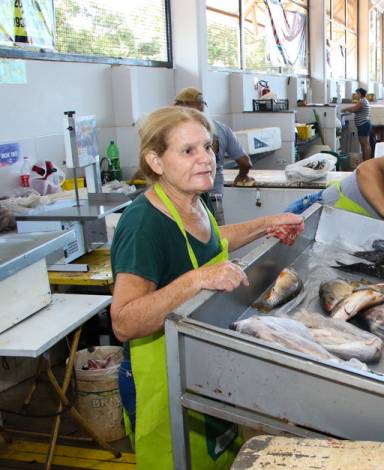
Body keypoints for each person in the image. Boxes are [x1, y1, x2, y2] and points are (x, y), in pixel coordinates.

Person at [111, 106, 304, 469]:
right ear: (155, 161)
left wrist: (267, 223)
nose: (206, 160)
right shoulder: (143, 224)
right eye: (188, 151)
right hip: (160, 375)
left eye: (208, 147)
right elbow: (123, 321)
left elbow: (213, 241)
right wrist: (196, 279)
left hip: (200, 365)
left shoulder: (192, 204)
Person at [174, 87, 253, 224]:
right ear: (202, 106)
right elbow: (245, 163)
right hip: (214, 196)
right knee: (217, 238)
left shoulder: (175, 131)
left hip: (185, 199)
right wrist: (242, 176)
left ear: (183, 105)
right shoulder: (221, 128)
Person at [342, 87, 372, 161]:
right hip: (363, 125)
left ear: (360, 94)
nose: (355, 95)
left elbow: (354, 109)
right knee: (364, 144)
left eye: (356, 93)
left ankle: (367, 161)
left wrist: (345, 109)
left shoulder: (362, 101)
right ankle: (365, 160)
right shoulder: (364, 101)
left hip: (363, 125)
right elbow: (355, 108)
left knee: (365, 145)